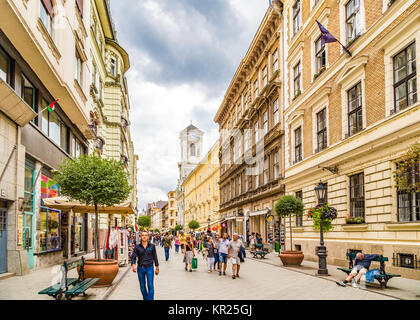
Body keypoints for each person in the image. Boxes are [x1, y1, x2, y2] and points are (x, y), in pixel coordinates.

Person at [131, 231, 159, 300]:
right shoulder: (137, 247)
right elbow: (133, 256)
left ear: (148, 237)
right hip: (140, 268)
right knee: (142, 287)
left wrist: (157, 268)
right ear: (140, 237)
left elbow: (155, 257)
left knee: (150, 286)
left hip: (150, 268)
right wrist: (133, 265)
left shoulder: (152, 246)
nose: (144, 236)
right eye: (143, 235)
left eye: (145, 235)